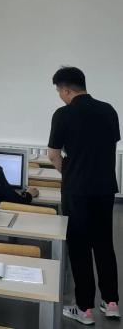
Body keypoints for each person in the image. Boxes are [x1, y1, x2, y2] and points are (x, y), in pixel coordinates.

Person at [48, 67, 120, 324]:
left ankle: (84, 308)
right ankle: (111, 303)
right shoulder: (109, 110)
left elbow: (53, 154)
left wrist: (68, 172)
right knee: (104, 244)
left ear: (66, 89)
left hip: (76, 190)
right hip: (104, 188)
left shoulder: (63, 114)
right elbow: (109, 145)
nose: (60, 96)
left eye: (59, 91)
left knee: (79, 247)